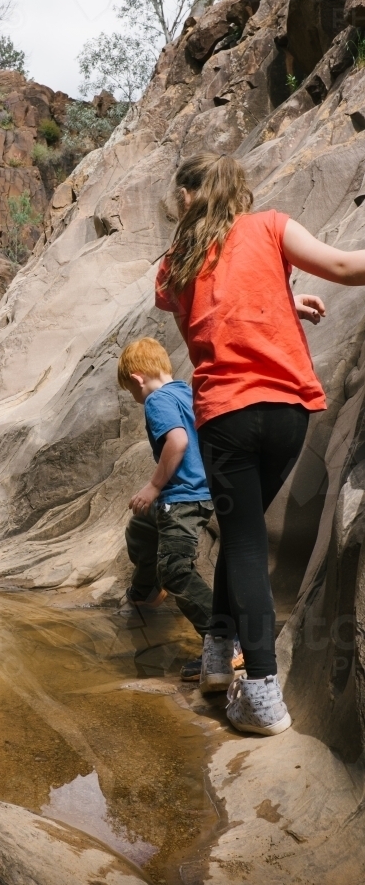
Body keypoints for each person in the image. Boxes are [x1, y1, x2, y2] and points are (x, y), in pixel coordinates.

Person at [154, 151, 359, 736]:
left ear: (188, 196)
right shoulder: (270, 226)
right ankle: (218, 658)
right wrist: (287, 300)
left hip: (228, 416)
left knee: (242, 541)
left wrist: (278, 300)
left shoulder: (174, 264)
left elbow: (203, 331)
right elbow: (343, 266)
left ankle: (262, 691)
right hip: (290, 410)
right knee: (241, 530)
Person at [118, 337, 243, 680]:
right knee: (141, 529)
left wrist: (154, 485)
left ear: (137, 378)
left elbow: (178, 441)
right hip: (203, 489)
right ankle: (146, 591)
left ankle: (226, 643)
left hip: (182, 496)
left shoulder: (156, 400)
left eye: (131, 390)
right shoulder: (187, 393)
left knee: (174, 568)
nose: (135, 396)